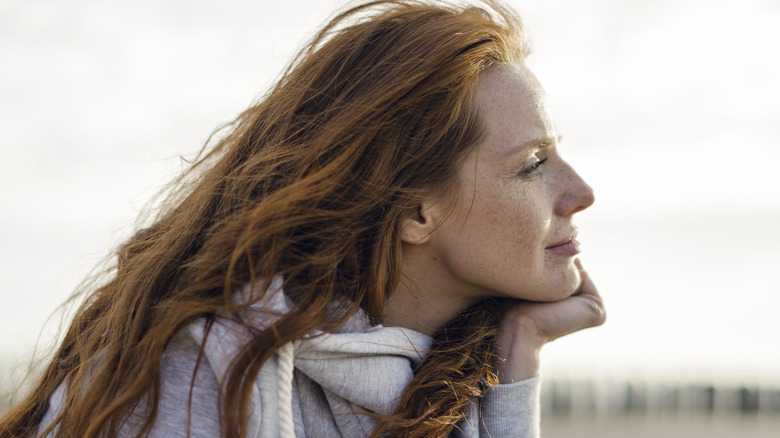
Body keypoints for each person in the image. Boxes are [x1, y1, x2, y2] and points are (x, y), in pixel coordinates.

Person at [0, 0, 605, 436]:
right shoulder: (206, 371)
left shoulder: (461, 374)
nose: (581, 192)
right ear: (415, 211)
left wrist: (517, 360)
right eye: (533, 164)